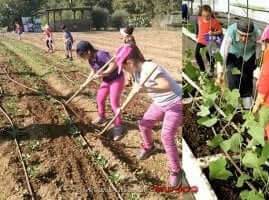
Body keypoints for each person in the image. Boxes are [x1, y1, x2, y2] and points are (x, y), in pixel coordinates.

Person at [115, 44, 183, 187]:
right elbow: (134, 92)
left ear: (130, 62)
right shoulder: (136, 73)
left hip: (175, 104)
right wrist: (122, 108)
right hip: (160, 103)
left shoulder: (150, 68)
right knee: (144, 125)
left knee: (166, 136)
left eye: (125, 67)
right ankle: (149, 146)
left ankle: (176, 170)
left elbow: (167, 86)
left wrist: (145, 89)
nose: (125, 71)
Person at [76, 41, 125, 141]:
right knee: (99, 99)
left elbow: (114, 65)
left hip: (116, 79)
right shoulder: (90, 60)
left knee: (114, 103)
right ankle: (102, 117)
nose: (82, 57)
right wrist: (85, 83)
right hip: (106, 80)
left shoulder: (101, 54)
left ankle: (118, 127)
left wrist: (104, 73)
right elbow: (93, 71)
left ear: (88, 51)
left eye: (82, 55)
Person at [216, 19, 261, 109]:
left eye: (247, 36)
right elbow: (223, 53)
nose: (244, 39)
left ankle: (247, 105)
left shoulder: (257, 32)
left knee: (247, 79)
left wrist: (257, 60)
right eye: (242, 35)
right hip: (233, 54)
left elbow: (260, 46)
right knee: (233, 79)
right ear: (237, 31)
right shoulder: (231, 32)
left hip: (249, 55)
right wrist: (219, 74)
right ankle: (235, 106)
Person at [195, 5, 223, 74]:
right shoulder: (199, 18)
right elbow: (197, 25)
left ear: (211, 14)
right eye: (204, 15)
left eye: (207, 16)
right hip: (200, 41)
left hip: (209, 41)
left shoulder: (214, 21)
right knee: (197, 54)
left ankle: (212, 68)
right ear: (201, 14)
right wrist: (197, 33)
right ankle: (202, 70)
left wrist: (213, 33)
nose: (206, 17)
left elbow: (220, 31)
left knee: (209, 55)